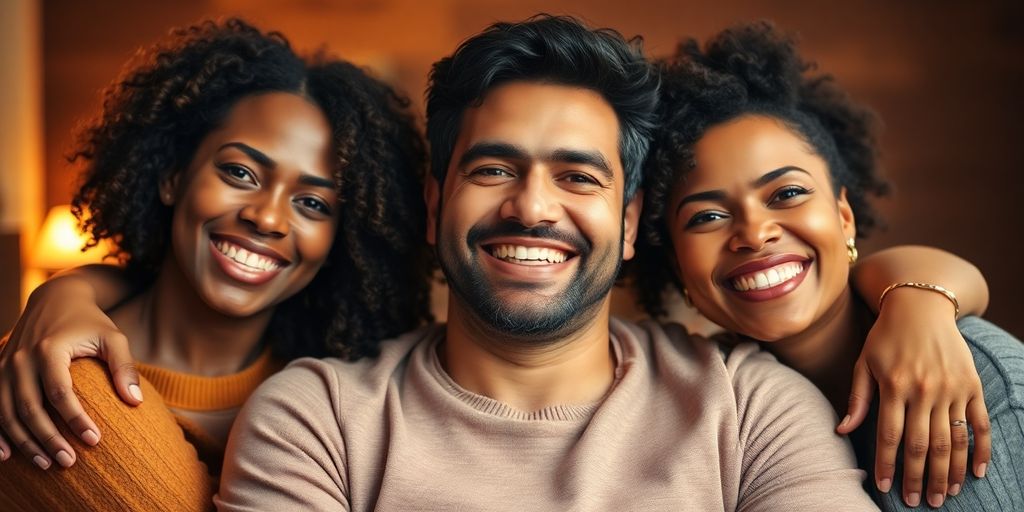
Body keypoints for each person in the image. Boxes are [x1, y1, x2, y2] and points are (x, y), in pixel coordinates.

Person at [214, 15, 984, 510]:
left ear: (629, 221)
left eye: (578, 177)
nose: (533, 207)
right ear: (433, 200)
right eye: (493, 170)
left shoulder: (750, 407)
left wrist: (921, 291)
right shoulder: (316, 423)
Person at [0, 18, 432, 510]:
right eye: (240, 172)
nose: (267, 217)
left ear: (342, 241)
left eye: (313, 204)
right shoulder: (44, 373)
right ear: (172, 175)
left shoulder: (338, 406)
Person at [634, 21, 1024, 510]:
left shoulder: (968, 384)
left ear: (844, 215)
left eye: (788, 193)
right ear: (676, 265)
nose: (755, 234)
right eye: (708, 216)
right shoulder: (705, 404)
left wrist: (921, 302)